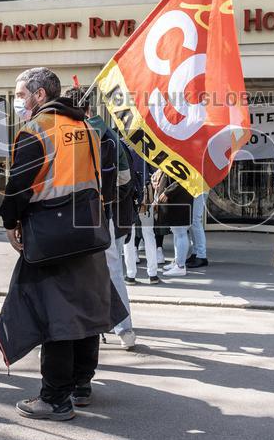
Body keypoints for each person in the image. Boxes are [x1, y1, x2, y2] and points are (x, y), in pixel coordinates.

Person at [0, 67, 127, 421]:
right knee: (87, 310)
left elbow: (19, 188)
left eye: (21, 95)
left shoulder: (36, 131)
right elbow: (106, 180)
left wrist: (10, 222)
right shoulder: (87, 127)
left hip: (51, 234)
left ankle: (55, 397)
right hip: (89, 229)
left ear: (40, 96)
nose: (19, 102)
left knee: (57, 316)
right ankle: (81, 385)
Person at [64, 86, 136, 349]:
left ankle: (81, 327)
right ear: (90, 107)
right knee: (113, 272)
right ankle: (124, 329)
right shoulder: (109, 136)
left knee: (73, 274)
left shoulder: (63, 136)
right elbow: (125, 178)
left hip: (71, 216)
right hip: (105, 214)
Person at [122, 142, 160, 284]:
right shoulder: (147, 148)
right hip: (145, 193)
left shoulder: (122, 147)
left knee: (128, 236)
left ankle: (131, 274)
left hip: (128, 196)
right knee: (149, 234)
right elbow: (156, 171)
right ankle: (153, 274)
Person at [155, 170, 194, 277]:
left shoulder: (186, 157)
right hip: (177, 200)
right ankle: (178, 262)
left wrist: (168, 191)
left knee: (180, 232)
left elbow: (185, 178)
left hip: (180, 200)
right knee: (178, 232)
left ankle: (180, 266)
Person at [186, 191, 208, 268]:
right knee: (193, 221)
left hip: (199, 189)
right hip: (196, 188)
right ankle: (196, 252)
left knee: (195, 220)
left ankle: (201, 255)